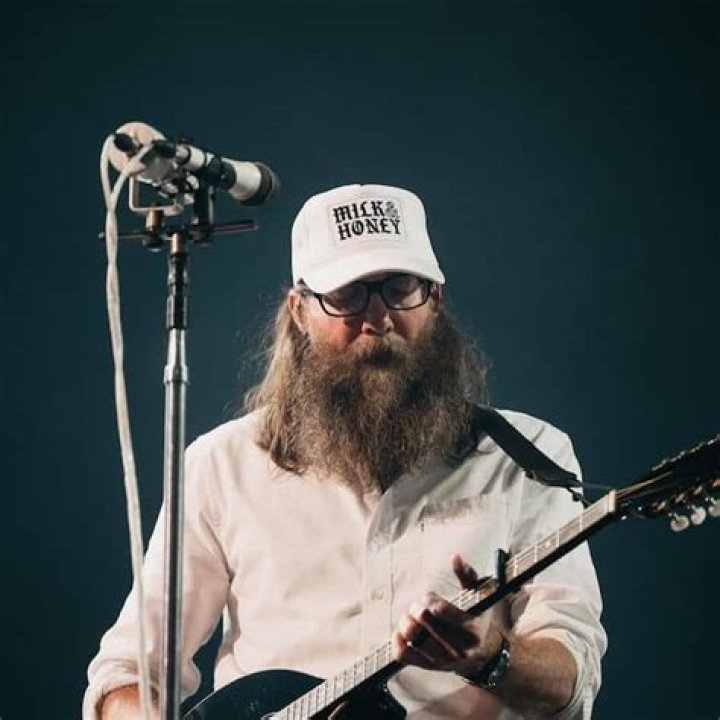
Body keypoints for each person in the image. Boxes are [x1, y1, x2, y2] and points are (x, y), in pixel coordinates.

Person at [84, 184, 606, 719]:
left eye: (400, 289)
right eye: (347, 295)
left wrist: (489, 656)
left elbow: (571, 684)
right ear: (299, 310)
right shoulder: (221, 465)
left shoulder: (528, 459)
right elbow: (127, 674)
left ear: (435, 298)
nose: (378, 319)